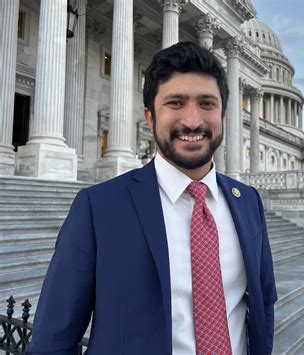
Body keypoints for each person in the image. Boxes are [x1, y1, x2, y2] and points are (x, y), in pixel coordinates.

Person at [26, 42, 277, 354]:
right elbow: (53, 341)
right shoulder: (99, 208)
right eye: (175, 103)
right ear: (149, 116)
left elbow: (263, 304)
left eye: (207, 103)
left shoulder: (247, 201)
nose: (193, 120)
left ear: (223, 115)